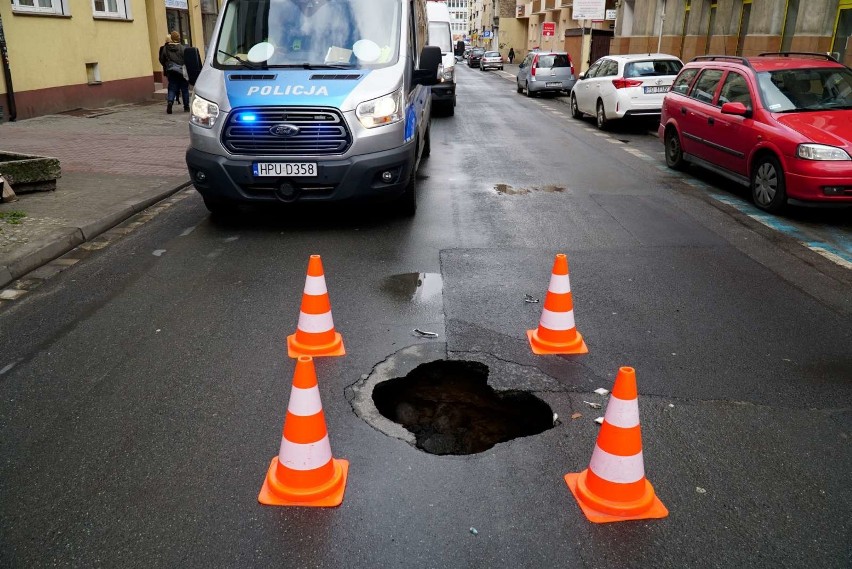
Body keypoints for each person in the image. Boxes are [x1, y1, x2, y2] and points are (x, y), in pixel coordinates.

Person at [158, 31, 190, 114]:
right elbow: (187, 60)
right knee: (184, 89)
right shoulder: (183, 48)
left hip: (171, 71)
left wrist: (168, 65)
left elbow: (162, 59)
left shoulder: (165, 48)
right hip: (182, 71)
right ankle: (186, 106)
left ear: (171, 38)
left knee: (172, 88)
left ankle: (170, 102)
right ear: (178, 38)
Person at [158, 35, 181, 107]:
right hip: (178, 68)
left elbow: (161, 59)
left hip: (168, 68)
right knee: (178, 82)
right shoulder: (177, 47)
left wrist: (165, 65)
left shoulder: (162, 48)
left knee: (171, 83)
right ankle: (177, 96)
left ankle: (171, 99)